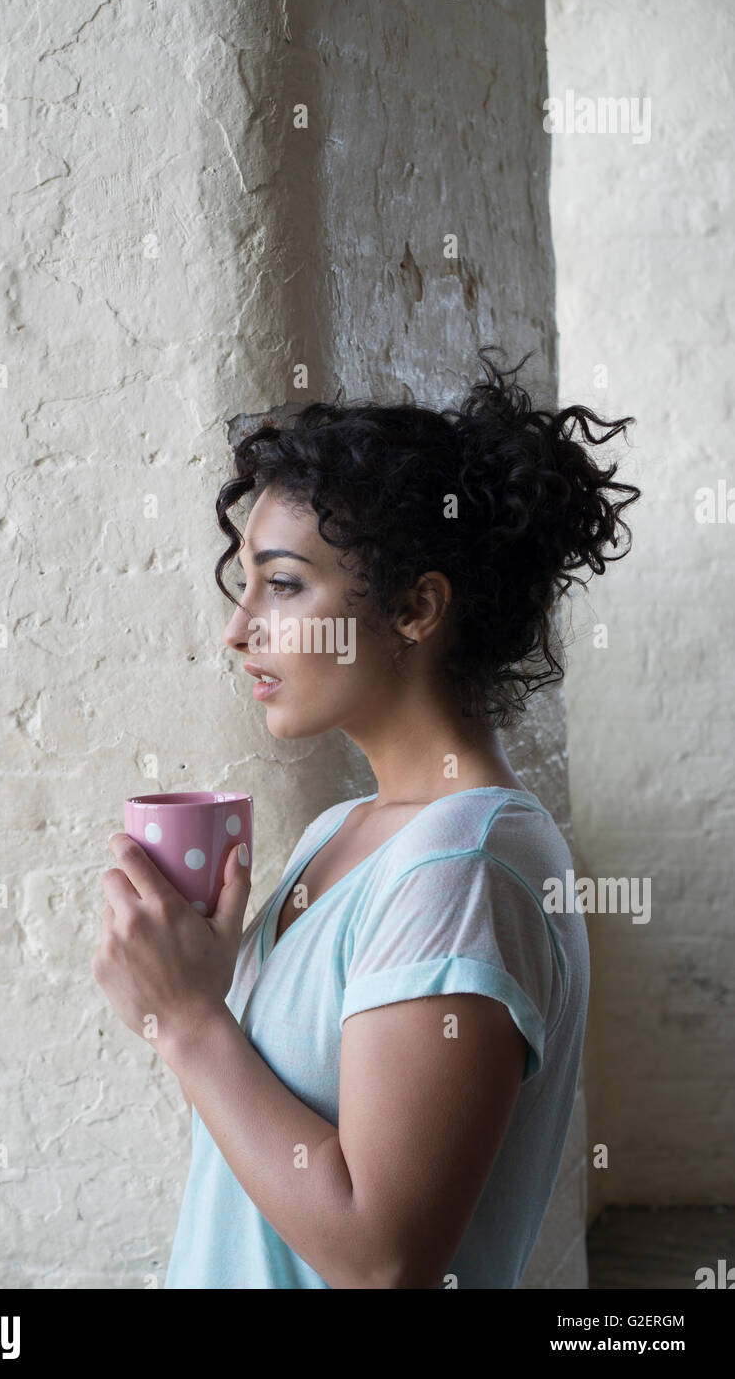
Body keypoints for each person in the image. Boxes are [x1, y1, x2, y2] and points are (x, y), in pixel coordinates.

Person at [102, 347, 640, 1288]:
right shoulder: (344, 830)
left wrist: (188, 1021)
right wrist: (204, 982)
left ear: (415, 608)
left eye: (284, 583)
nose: (239, 629)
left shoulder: (465, 868)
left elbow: (382, 1256)